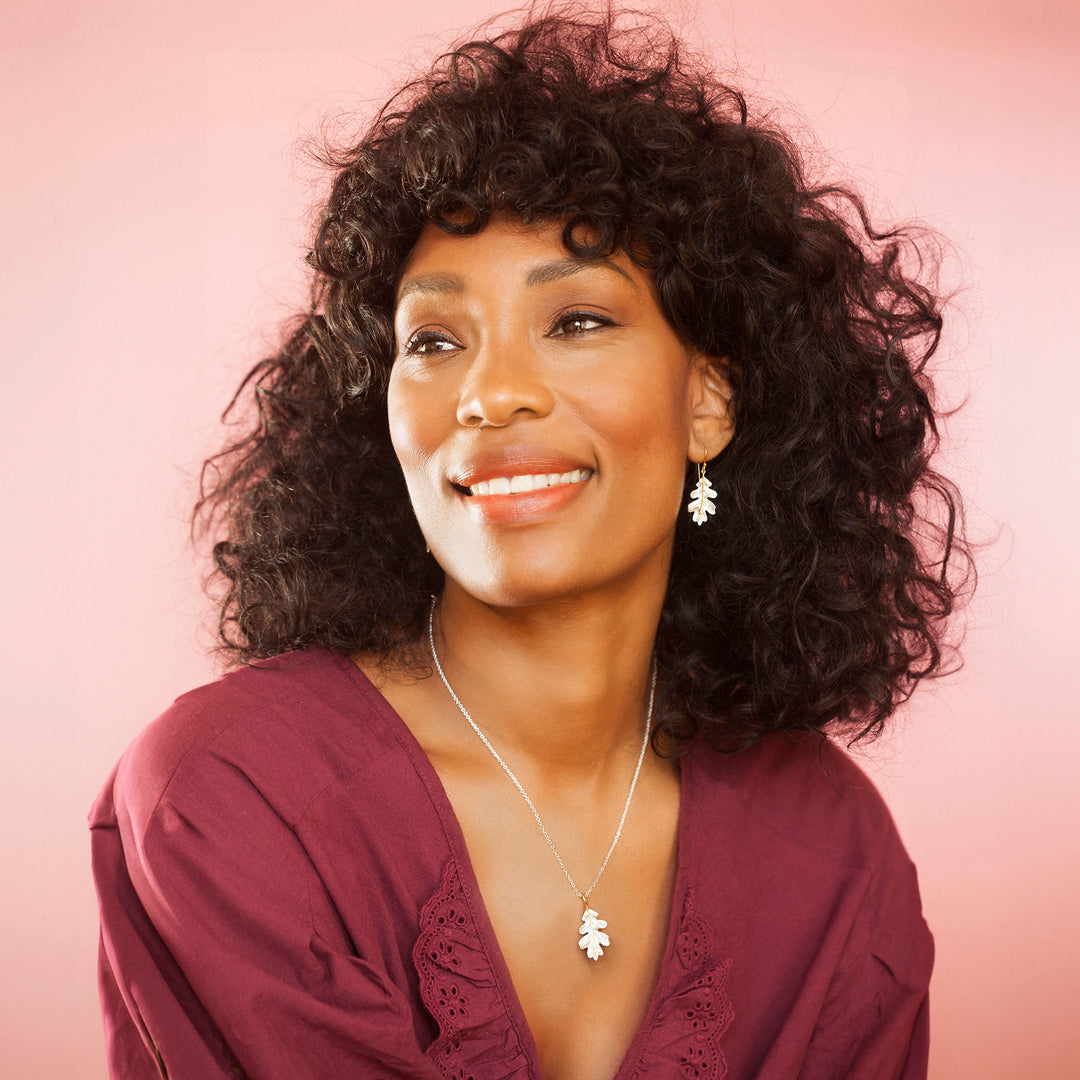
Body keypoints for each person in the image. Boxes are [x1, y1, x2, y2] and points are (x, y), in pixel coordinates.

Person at [90, 7, 971, 1079]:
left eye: (578, 322)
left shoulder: (836, 857)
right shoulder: (233, 797)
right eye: (433, 340)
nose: (490, 394)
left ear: (709, 401)